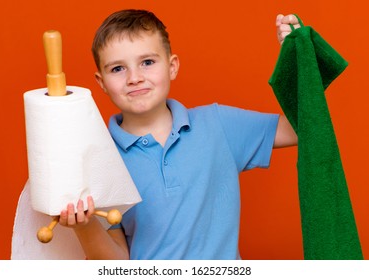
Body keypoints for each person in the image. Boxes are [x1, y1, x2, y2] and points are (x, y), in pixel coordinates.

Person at [58, 9, 300, 259]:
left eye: (147, 62)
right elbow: (118, 263)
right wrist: (85, 227)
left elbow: (299, 130)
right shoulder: (102, 162)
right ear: (102, 83)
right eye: (118, 69)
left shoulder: (218, 125)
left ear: (172, 67)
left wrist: (297, 60)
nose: (134, 78)